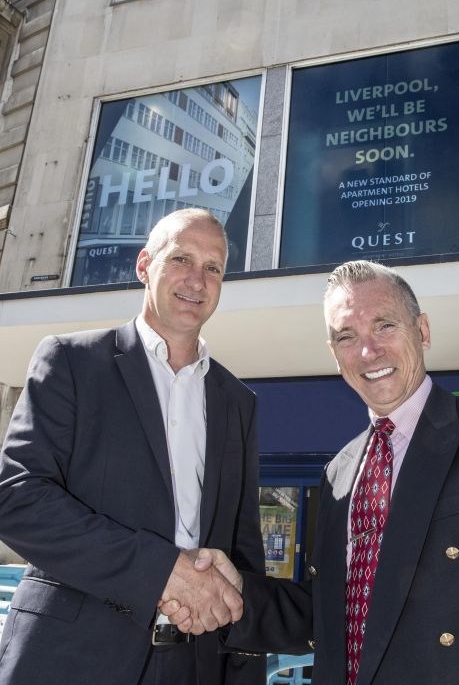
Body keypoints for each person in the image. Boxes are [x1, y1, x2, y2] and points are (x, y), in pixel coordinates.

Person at [168, 260, 459, 685]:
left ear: (423, 331)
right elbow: (327, 612)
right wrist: (236, 595)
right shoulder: (339, 472)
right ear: (334, 353)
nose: (367, 351)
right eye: (347, 336)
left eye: (384, 326)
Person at [0, 208, 265, 685]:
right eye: (181, 258)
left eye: (213, 267)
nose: (197, 280)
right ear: (144, 265)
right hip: (73, 658)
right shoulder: (72, 361)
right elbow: (17, 497)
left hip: (195, 662)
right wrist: (160, 571)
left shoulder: (238, 401)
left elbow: (242, 548)